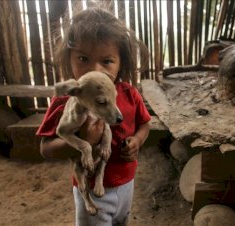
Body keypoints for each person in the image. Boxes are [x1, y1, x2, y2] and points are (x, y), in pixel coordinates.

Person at [36, 6, 151, 226]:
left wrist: (137, 140)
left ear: (121, 62)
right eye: (83, 58)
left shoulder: (129, 94)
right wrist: (83, 143)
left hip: (127, 183)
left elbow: (145, 125)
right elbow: (46, 148)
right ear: (68, 59)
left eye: (106, 61)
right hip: (90, 188)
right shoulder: (65, 102)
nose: (95, 69)